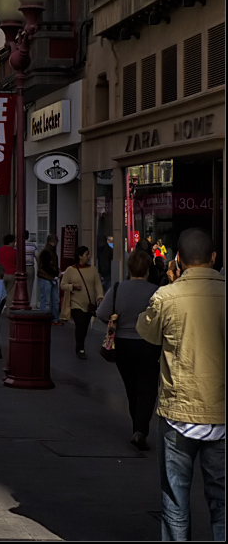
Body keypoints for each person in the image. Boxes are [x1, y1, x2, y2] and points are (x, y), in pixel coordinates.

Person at [136, 229, 224, 542]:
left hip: (179, 412)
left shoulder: (167, 297)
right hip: (222, 413)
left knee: (175, 498)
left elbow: (146, 331)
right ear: (214, 258)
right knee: (222, 500)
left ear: (178, 260)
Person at [95, 250, 160, 450]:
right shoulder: (156, 291)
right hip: (149, 344)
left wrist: (118, 320)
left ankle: (136, 428)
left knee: (131, 388)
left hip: (123, 343)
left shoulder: (117, 289)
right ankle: (141, 430)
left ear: (129, 268)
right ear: (148, 269)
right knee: (148, 388)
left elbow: (101, 313)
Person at [59, 245, 104, 359]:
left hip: (89, 304)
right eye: (86, 254)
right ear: (80, 256)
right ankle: (80, 348)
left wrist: (100, 296)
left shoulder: (92, 269)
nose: (89, 257)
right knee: (80, 325)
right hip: (76, 303)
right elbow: (63, 285)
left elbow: (97, 284)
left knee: (84, 327)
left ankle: (81, 345)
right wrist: (72, 286)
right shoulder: (70, 270)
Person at [37, 234, 61, 322]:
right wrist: (56, 273)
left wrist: (56, 272)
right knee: (53, 300)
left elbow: (45, 266)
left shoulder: (46, 251)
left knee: (46, 300)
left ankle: (46, 318)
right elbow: (46, 266)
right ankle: (53, 318)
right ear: (54, 241)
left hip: (47, 277)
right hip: (48, 277)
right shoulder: (48, 251)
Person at [0, 234, 19, 309]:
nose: (14, 243)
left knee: (0, 291)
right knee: (10, 293)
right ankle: (8, 307)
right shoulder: (15, 251)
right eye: (13, 242)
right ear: (10, 242)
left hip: (1, 274)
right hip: (12, 274)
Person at [24, 231, 39, 306]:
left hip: (20, 267)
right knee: (29, 286)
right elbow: (37, 258)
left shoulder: (16, 245)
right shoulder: (33, 246)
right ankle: (27, 303)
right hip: (30, 267)